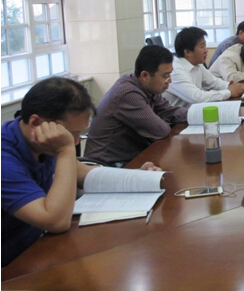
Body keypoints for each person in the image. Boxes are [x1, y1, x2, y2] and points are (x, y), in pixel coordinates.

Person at [1, 77, 160, 267]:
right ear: (36, 122)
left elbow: (82, 172)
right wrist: (65, 150)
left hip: (38, 248)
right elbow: (56, 221)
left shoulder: (38, 140)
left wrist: (137, 178)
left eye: (79, 133)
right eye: (72, 134)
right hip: (11, 266)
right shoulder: (5, 160)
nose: (76, 142)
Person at [84, 45, 188, 167]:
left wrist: (198, 115)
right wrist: (162, 119)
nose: (169, 81)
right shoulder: (128, 94)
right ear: (145, 76)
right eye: (165, 76)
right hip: (107, 165)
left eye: (170, 75)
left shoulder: (148, 87)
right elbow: (161, 131)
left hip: (130, 157)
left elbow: (169, 112)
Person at [163, 27, 244, 108]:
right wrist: (229, 92)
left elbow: (213, 82)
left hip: (193, 111)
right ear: (188, 52)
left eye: (205, 45)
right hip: (178, 115)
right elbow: (196, 97)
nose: (206, 50)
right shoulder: (175, 70)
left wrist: (229, 86)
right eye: (202, 47)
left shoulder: (197, 64)